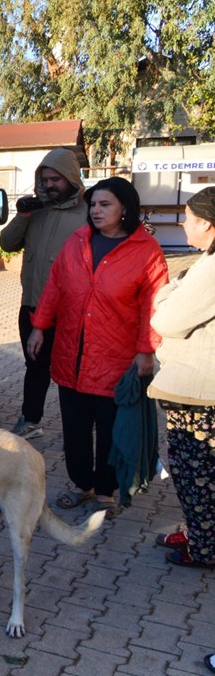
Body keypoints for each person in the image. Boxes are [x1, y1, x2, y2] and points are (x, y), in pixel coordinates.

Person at [27, 177, 168, 519]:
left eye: (105, 204)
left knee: (109, 431)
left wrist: (145, 350)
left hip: (114, 360)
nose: (96, 210)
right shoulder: (76, 242)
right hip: (71, 354)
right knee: (74, 428)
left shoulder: (146, 251)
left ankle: (105, 492)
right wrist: (39, 327)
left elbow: (154, 305)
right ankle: (81, 485)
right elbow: (55, 287)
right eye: (93, 205)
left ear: (125, 209)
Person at [0, 148, 87, 439]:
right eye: (45, 178)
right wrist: (22, 215)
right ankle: (31, 420)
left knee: (71, 370)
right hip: (33, 306)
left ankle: (78, 428)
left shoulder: (88, 213)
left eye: (56, 179)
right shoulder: (34, 211)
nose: (49, 185)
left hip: (71, 311)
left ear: (71, 178)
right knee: (35, 366)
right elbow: (8, 244)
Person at [148, 187, 215, 568]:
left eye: (188, 217)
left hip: (201, 393)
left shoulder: (210, 269)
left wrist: (166, 295)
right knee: (198, 472)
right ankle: (198, 532)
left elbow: (165, 319)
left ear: (206, 222)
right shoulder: (206, 261)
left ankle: (204, 548)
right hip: (198, 388)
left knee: (196, 473)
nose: (183, 222)